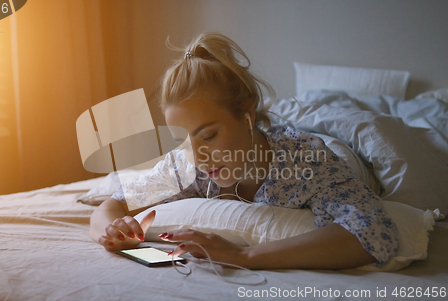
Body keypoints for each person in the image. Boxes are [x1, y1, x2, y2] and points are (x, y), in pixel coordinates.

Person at [89, 33, 399, 270]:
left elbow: (372, 234)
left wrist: (243, 255)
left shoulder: (304, 163)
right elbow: (109, 208)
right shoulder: (185, 166)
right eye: (183, 142)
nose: (198, 157)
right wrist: (114, 232)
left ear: (247, 117)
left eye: (208, 135)